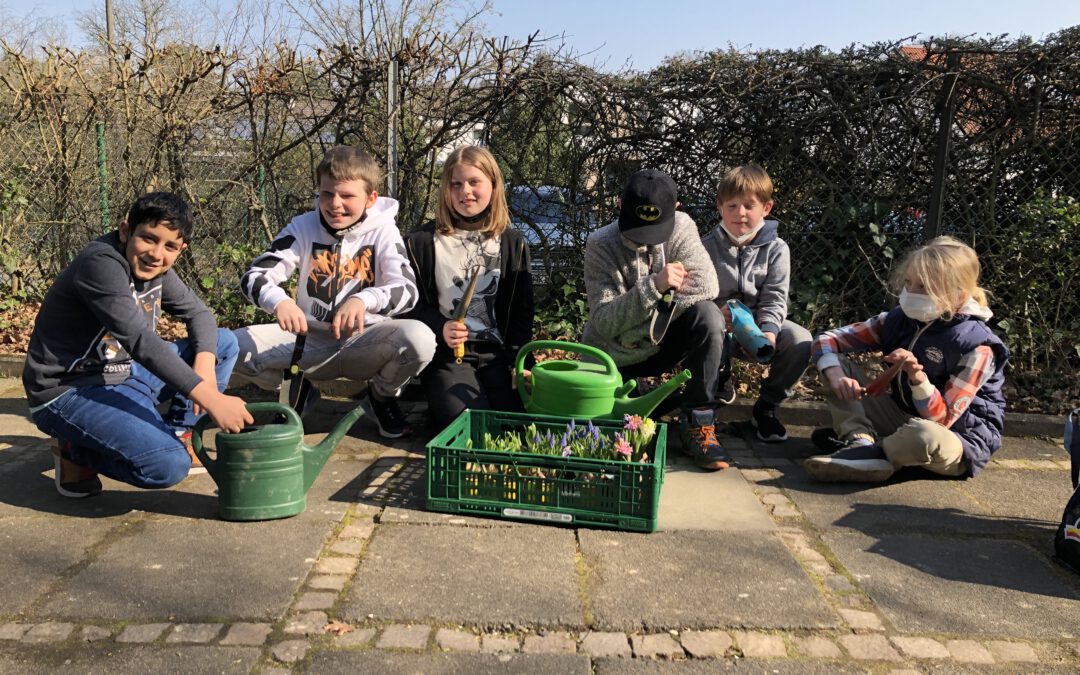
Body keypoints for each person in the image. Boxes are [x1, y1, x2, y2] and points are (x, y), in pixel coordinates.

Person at [23, 191, 253, 498]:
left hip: (123, 375)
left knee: (223, 344)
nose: (157, 253)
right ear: (125, 231)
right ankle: (74, 453)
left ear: (180, 250)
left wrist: (205, 367)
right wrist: (210, 398)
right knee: (167, 467)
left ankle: (178, 433)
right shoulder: (101, 264)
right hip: (68, 391)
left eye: (169, 246)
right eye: (148, 238)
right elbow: (140, 341)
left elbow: (199, 314)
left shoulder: (157, 269)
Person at [234, 145, 435, 439]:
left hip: (364, 342)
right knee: (228, 347)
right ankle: (295, 390)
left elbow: (407, 291)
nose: (334, 204)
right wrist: (279, 302)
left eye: (347, 196)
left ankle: (381, 397)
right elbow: (253, 277)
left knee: (419, 338)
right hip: (309, 342)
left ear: (371, 198)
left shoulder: (384, 231)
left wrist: (363, 299)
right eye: (327, 194)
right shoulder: (302, 227)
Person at [804, 236, 1008, 483]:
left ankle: (871, 453)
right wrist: (836, 376)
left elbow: (942, 419)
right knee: (835, 365)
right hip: (902, 416)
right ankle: (859, 442)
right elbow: (826, 340)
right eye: (909, 283)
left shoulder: (978, 346)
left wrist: (918, 380)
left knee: (924, 435)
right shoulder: (898, 319)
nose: (911, 292)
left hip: (956, 437)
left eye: (924, 287)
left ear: (957, 295)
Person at [583, 168, 727, 470]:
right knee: (613, 423)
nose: (644, 240)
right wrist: (655, 286)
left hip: (654, 341)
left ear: (675, 210)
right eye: (636, 227)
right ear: (620, 206)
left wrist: (637, 324)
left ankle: (698, 422)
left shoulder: (683, 226)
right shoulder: (599, 244)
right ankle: (649, 398)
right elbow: (604, 320)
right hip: (617, 354)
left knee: (709, 317)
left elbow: (707, 285)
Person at [402, 146, 535, 429]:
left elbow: (521, 314)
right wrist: (440, 326)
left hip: (497, 355)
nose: (466, 192)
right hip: (449, 356)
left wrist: (520, 362)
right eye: (457, 184)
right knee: (470, 427)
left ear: (494, 186)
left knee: (517, 427)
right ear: (446, 190)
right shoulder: (421, 242)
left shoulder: (512, 243)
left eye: (475, 182)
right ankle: (441, 405)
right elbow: (405, 305)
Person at [702, 165, 812, 443]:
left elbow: (775, 297)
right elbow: (698, 294)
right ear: (719, 207)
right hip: (720, 323)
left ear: (766, 207)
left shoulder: (777, 249)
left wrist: (769, 333)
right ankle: (708, 404)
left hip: (762, 326)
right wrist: (716, 313)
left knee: (800, 339)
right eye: (732, 205)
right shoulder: (704, 247)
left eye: (749, 205)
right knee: (707, 328)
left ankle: (767, 407)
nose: (740, 213)